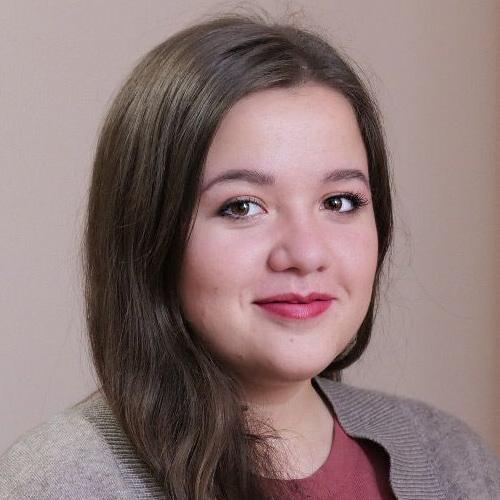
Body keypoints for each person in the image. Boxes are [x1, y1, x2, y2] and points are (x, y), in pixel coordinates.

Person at [1, 12, 499, 500]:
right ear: (149, 235)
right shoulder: (58, 483)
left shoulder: (454, 461)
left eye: (339, 202)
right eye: (242, 206)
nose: (305, 253)